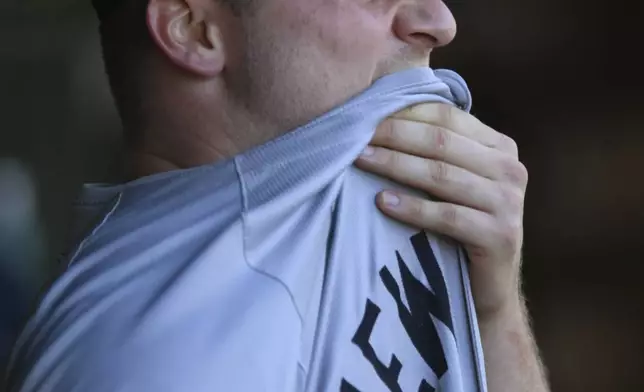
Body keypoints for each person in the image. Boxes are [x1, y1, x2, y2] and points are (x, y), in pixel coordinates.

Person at [5, 0, 549, 391]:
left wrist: (495, 312)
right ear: (195, 30)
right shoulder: (151, 361)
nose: (438, 21)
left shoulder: (366, 171)